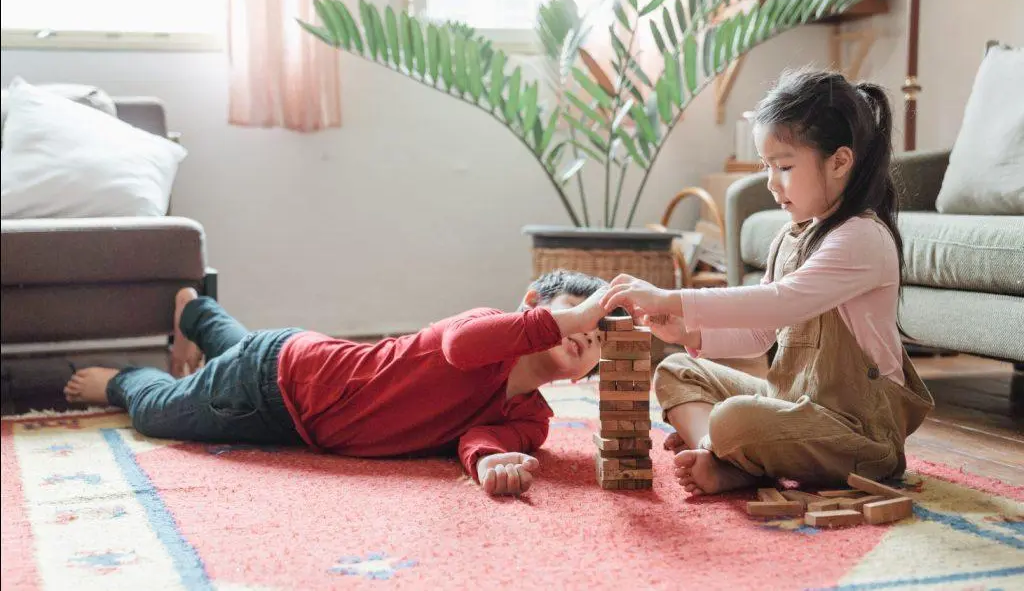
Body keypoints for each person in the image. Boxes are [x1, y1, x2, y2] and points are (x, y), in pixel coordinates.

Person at [600, 68, 935, 496]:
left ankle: (720, 450)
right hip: (794, 406)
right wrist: (690, 331)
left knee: (732, 419)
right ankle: (727, 455)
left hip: (859, 436)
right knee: (676, 369)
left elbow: (781, 302)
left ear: (839, 161)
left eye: (784, 167)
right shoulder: (790, 237)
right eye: (767, 167)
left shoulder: (862, 238)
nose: (772, 184)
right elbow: (761, 334)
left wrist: (672, 297)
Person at [64, 269, 615, 497]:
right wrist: (573, 316)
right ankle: (124, 379)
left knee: (236, 350)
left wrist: (489, 464)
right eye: (582, 317)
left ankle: (196, 312)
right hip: (278, 385)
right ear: (533, 307)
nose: (588, 334)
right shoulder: (480, 328)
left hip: (294, 376)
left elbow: (480, 438)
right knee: (156, 414)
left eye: (600, 338)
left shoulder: (532, 418)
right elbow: (458, 349)